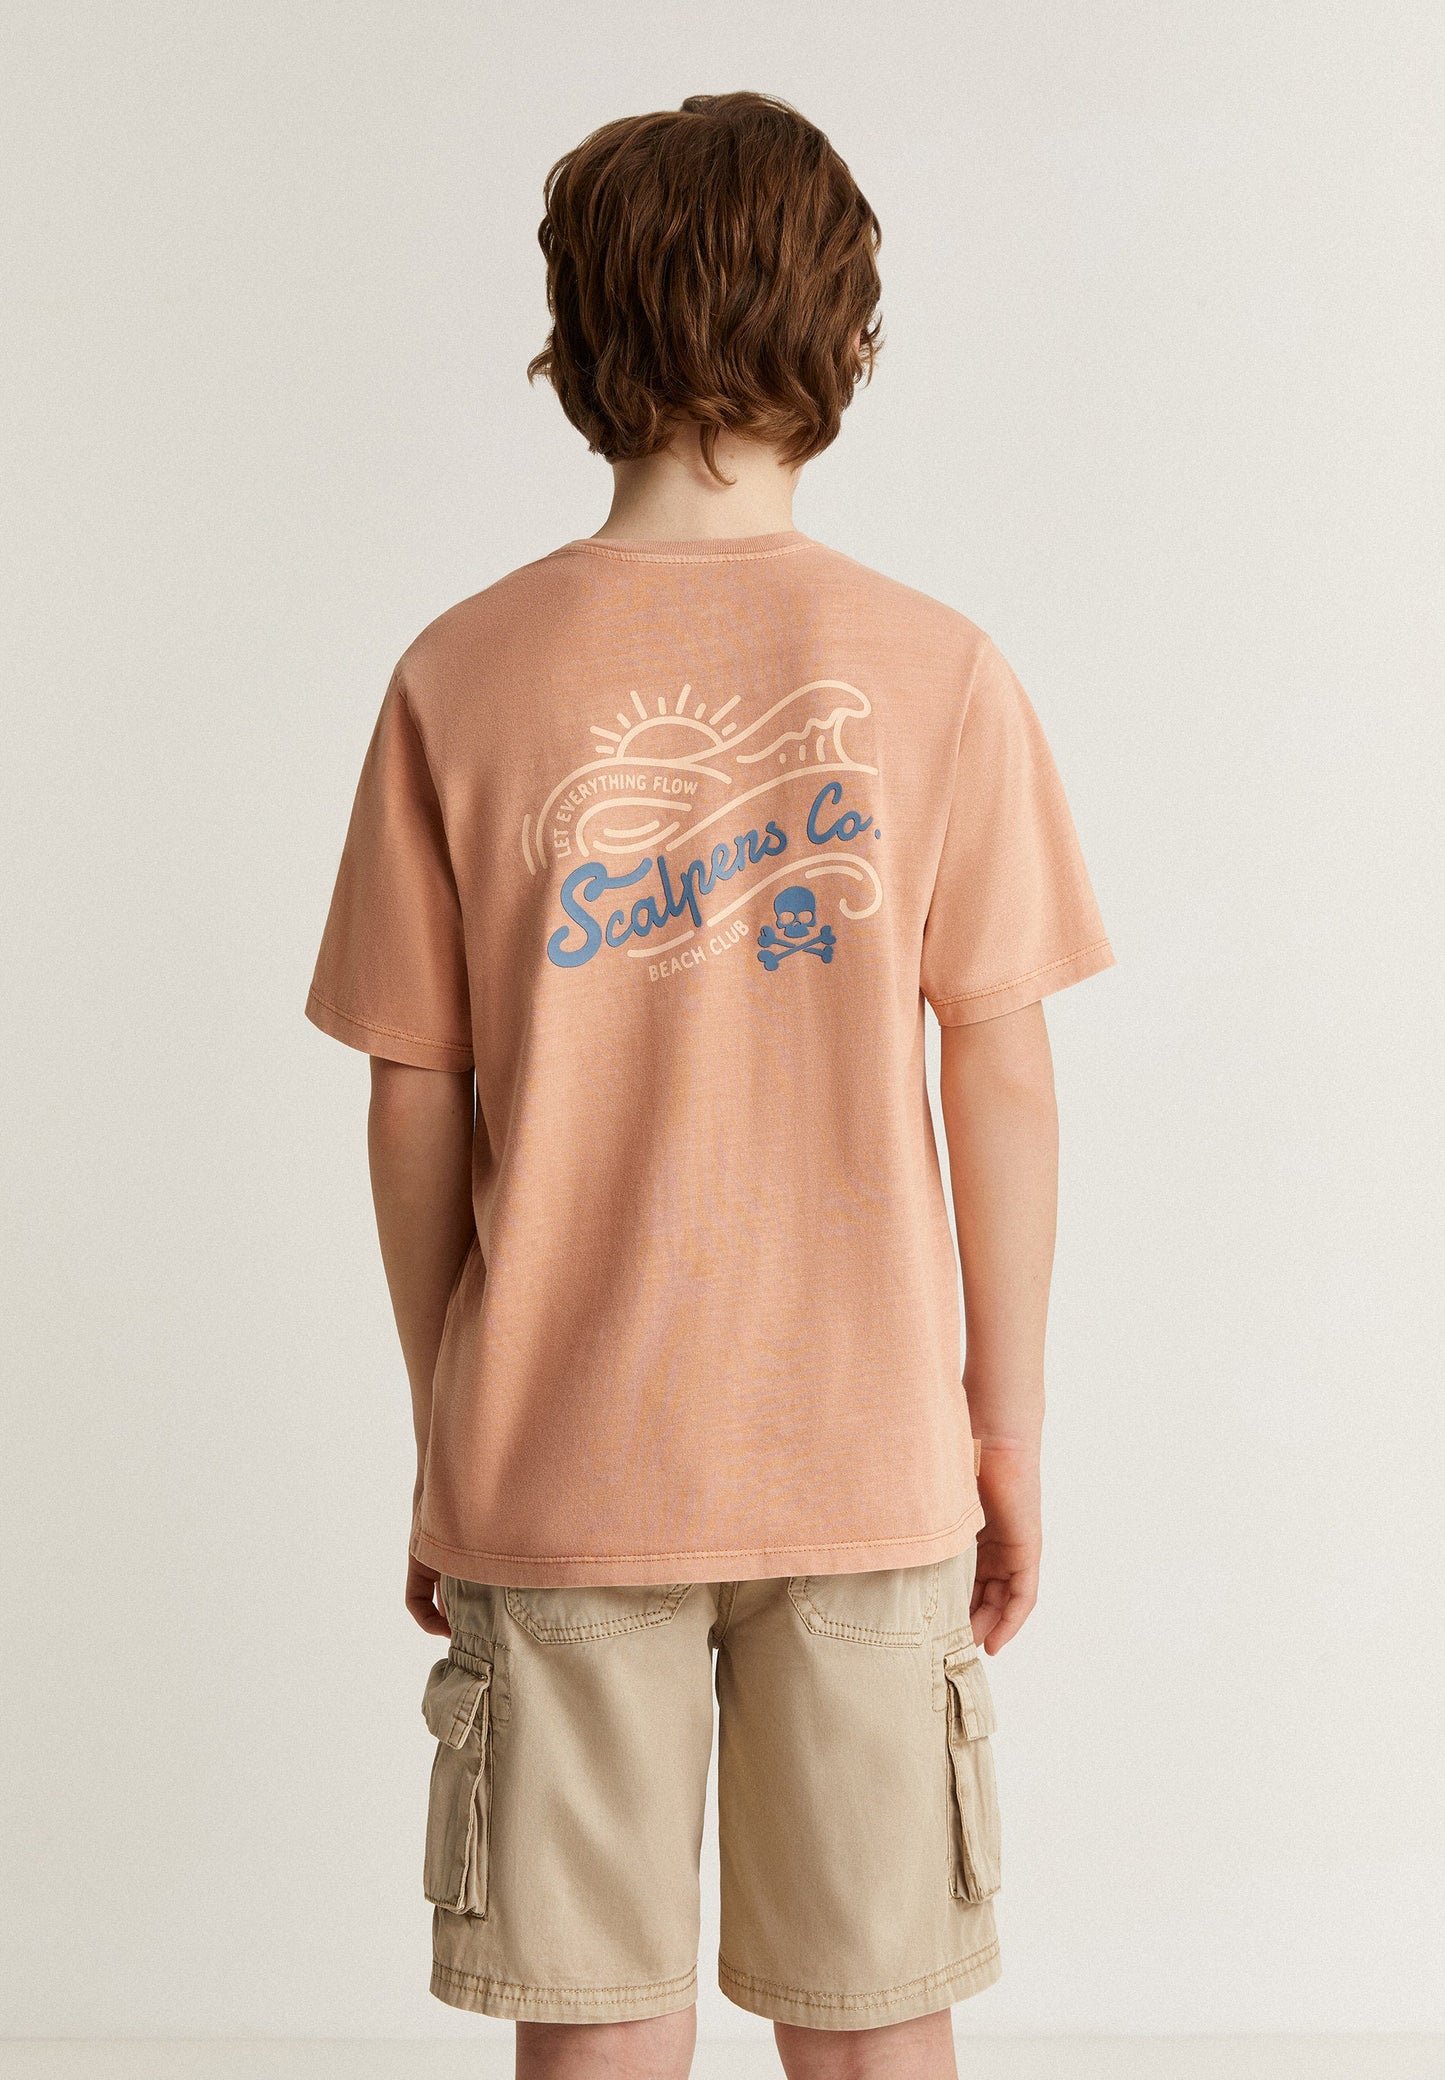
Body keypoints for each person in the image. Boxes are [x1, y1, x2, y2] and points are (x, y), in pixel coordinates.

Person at [306, 90, 1112, 2080]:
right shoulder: (935, 668)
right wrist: (1001, 1423)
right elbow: (1001, 1068)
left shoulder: (459, 673)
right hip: (862, 1455)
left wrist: (448, 1426)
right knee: (874, 2021)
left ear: (577, 340)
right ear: (844, 336)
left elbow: (413, 1094)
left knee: (592, 2034)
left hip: (559, 1456)